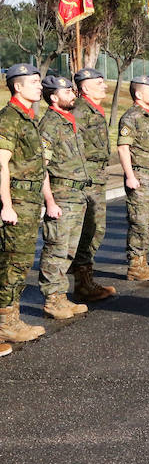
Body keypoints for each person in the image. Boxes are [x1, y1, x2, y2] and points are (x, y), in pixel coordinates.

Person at [0, 64, 48, 344]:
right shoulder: (10, 119)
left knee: (21, 261)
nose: (39, 86)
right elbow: (1, 165)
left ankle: (11, 319)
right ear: (18, 87)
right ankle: (6, 323)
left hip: (29, 200)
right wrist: (6, 204)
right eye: (33, 82)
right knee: (12, 264)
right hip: (16, 200)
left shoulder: (29, 118)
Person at [36, 75, 90, 319]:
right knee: (56, 249)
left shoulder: (68, 121)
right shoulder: (49, 125)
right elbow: (42, 167)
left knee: (68, 249)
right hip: (61, 195)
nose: (72, 93)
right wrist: (50, 201)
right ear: (54, 97)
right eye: (66, 91)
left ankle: (60, 297)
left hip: (76, 195)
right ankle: (52, 299)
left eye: (72, 89)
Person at [70, 68, 116, 301]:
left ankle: (85, 279)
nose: (104, 86)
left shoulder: (94, 110)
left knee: (96, 229)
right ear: (85, 87)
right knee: (87, 230)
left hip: (97, 177)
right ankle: (81, 282)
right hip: (86, 178)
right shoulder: (80, 111)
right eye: (99, 83)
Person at [117, 76, 149, 281]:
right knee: (140, 222)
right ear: (138, 94)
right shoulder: (131, 117)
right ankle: (136, 265)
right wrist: (130, 176)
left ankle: (143, 262)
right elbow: (123, 147)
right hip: (140, 177)